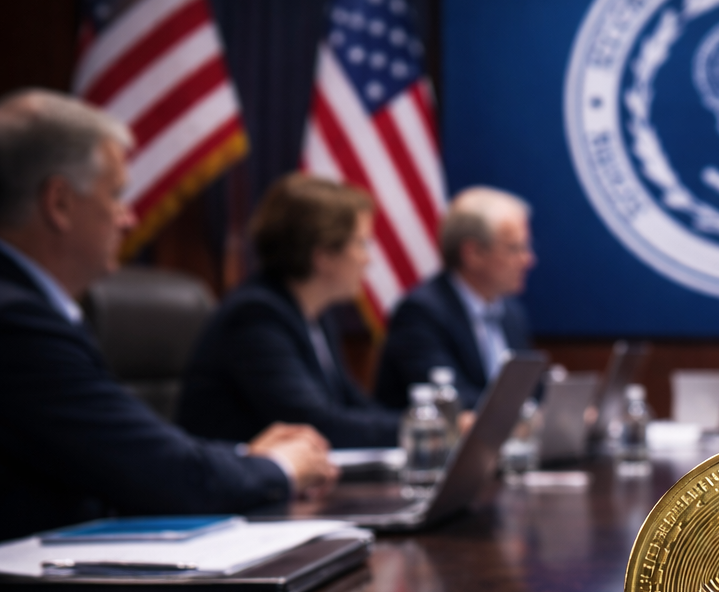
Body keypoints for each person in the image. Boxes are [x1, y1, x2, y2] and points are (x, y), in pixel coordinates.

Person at [0, 89, 333, 541]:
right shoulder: (16, 323)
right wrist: (278, 468)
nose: (129, 219)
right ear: (59, 203)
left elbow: (128, 453)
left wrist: (243, 459)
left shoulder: (34, 307)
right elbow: (162, 476)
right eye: (116, 195)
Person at [177, 174, 400, 448]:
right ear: (322, 256)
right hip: (233, 472)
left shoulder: (313, 312)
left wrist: (419, 426)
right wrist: (420, 430)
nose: (368, 259)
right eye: (361, 244)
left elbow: (351, 402)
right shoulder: (255, 317)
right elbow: (314, 424)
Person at [374, 187, 535, 410]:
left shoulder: (511, 313)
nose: (528, 260)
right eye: (514, 249)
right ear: (473, 254)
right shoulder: (421, 313)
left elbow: (530, 389)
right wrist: (523, 413)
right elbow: (446, 395)